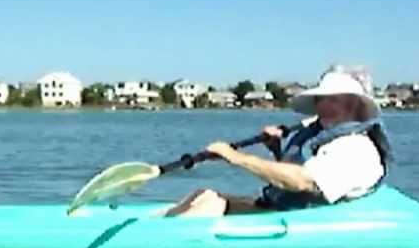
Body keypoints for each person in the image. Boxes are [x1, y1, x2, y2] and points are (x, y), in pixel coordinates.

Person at [163, 65, 392, 217]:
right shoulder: (324, 139)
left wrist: (235, 157)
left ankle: (155, 241)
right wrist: (276, 150)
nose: (323, 106)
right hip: (286, 209)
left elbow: (305, 182)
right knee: (205, 195)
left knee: (211, 206)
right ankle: (158, 226)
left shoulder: (354, 148)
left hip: (305, 221)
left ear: (354, 106)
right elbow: (297, 177)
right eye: (321, 99)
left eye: (333, 100)